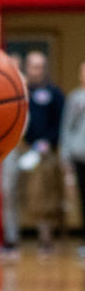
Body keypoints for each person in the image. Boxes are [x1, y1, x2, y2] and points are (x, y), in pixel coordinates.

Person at [15, 50, 65, 257]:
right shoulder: (20, 93)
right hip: (23, 150)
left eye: (41, 66)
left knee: (47, 196)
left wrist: (47, 142)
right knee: (19, 193)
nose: (38, 70)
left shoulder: (55, 93)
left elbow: (60, 122)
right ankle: (14, 239)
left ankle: (47, 239)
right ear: (27, 68)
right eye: (34, 66)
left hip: (46, 152)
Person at [0, 52, 25, 262]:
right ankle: (11, 239)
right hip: (10, 150)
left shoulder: (23, 89)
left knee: (37, 196)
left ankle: (45, 241)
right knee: (8, 194)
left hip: (28, 148)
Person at [60, 58, 85, 259]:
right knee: (82, 199)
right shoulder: (75, 98)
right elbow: (66, 128)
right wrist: (65, 156)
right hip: (79, 156)